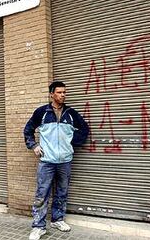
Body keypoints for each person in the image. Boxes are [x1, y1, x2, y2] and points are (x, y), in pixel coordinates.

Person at [24, 81, 89, 240]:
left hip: (65, 161)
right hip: (47, 161)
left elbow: (84, 130)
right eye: (59, 92)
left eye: (64, 92)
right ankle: (38, 227)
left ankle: (57, 220)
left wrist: (71, 143)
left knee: (61, 192)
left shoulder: (71, 113)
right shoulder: (42, 112)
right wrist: (33, 145)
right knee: (42, 193)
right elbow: (28, 130)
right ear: (51, 94)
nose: (63, 95)